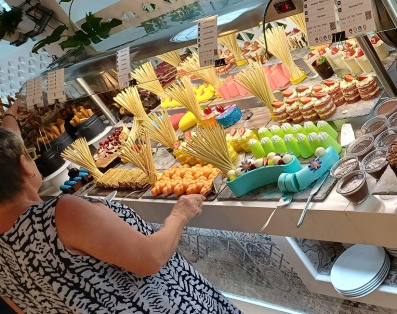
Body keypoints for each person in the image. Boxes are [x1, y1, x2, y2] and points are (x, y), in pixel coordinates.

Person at [0, 100, 241, 313]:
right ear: (25, 165)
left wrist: (10, 115)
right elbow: (151, 258)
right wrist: (179, 215)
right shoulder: (59, 215)